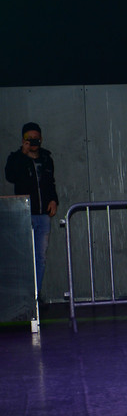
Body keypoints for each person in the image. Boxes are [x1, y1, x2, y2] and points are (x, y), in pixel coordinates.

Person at [5, 122, 58, 292]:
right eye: (30, 138)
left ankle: (36, 295)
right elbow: (10, 176)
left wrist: (54, 200)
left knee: (40, 258)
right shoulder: (16, 158)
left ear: (41, 139)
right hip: (25, 215)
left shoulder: (46, 158)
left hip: (43, 215)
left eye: (36, 138)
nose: (34, 141)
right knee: (24, 257)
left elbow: (51, 183)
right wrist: (23, 153)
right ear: (23, 139)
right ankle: (25, 296)